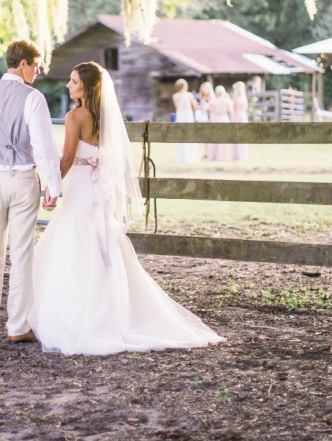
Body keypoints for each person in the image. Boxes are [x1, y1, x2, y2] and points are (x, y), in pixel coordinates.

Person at [29, 62, 224, 355]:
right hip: (100, 191)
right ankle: (116, 311)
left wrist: (51, 188)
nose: (69, 86)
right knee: (103, 240)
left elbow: (68, 159)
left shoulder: (74, 117)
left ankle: (80, 314)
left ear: (87, 87)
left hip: (80, 188)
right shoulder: (107, 118)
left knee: (75, 242)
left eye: (73, 81)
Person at [0, 39, 62, 343]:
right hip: (22, 181)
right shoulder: (33, 98)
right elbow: (43, 147)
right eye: (36, 64)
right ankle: (17, 327)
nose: (37, 70)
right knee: (21, 254)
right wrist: (53, 186)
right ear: (22, 64)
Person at [172, 79, 199, 163]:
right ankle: (190, 156)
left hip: (180, 115)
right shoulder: (189, 95)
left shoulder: (175, 96)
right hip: (188, 115)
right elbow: (194, 106)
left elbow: (177, 106)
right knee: (189, 133)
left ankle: (181, 157)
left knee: (180, 134)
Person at [208, 85, 233, 161]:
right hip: (223, 118)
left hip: (216, 118)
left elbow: (206, 108)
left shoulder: (213, 100)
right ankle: (221, 156)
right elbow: (231, 111)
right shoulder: (226, 100)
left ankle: (213, 156)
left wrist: (213, 111)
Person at [230, 81, 249, 161]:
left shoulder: (238, 98)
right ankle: (241, 155)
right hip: (243, 116)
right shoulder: (244, 96)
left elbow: (238, 110)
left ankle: (238, 156)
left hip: (238, 117)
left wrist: (235, 122)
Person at [197, 82, 215, 158]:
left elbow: (214, 109)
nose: (205, 89)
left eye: (207, 88)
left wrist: (206, 109)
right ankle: (206, 152)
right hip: (202, 119)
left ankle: (210, 153)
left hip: (210, 118)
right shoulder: (200, 98)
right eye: (204, 88)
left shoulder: (212, 98)